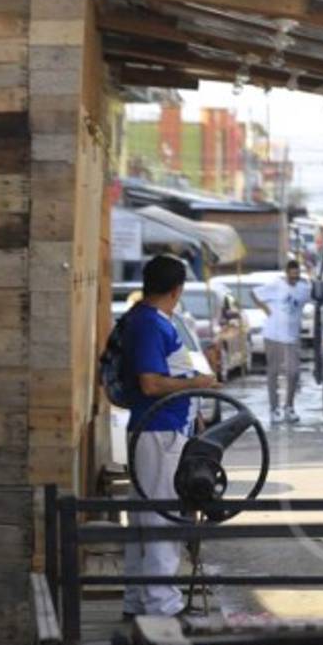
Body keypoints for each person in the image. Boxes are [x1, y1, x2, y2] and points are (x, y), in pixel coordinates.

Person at [122, 255, 219, 619]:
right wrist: (198, 383)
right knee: (161, 518)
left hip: (160, 429)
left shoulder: (149, 320)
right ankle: (162, 605)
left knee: (144, 518)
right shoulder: (149, 324)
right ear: (177, 291)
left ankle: (138, 600)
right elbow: (150, 382)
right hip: (158, 431)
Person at [252, 260, 311, 423]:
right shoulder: (276, 285)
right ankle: (274, 408)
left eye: (297, 276)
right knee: (274, 371)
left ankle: (289, 406)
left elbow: (313, 298)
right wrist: (266, 310)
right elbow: (254, 294)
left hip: (292, 337)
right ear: (286, 273)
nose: (294, 279)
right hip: (273, 335)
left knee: (293, 372)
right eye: (292, 276)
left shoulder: (303, 288)